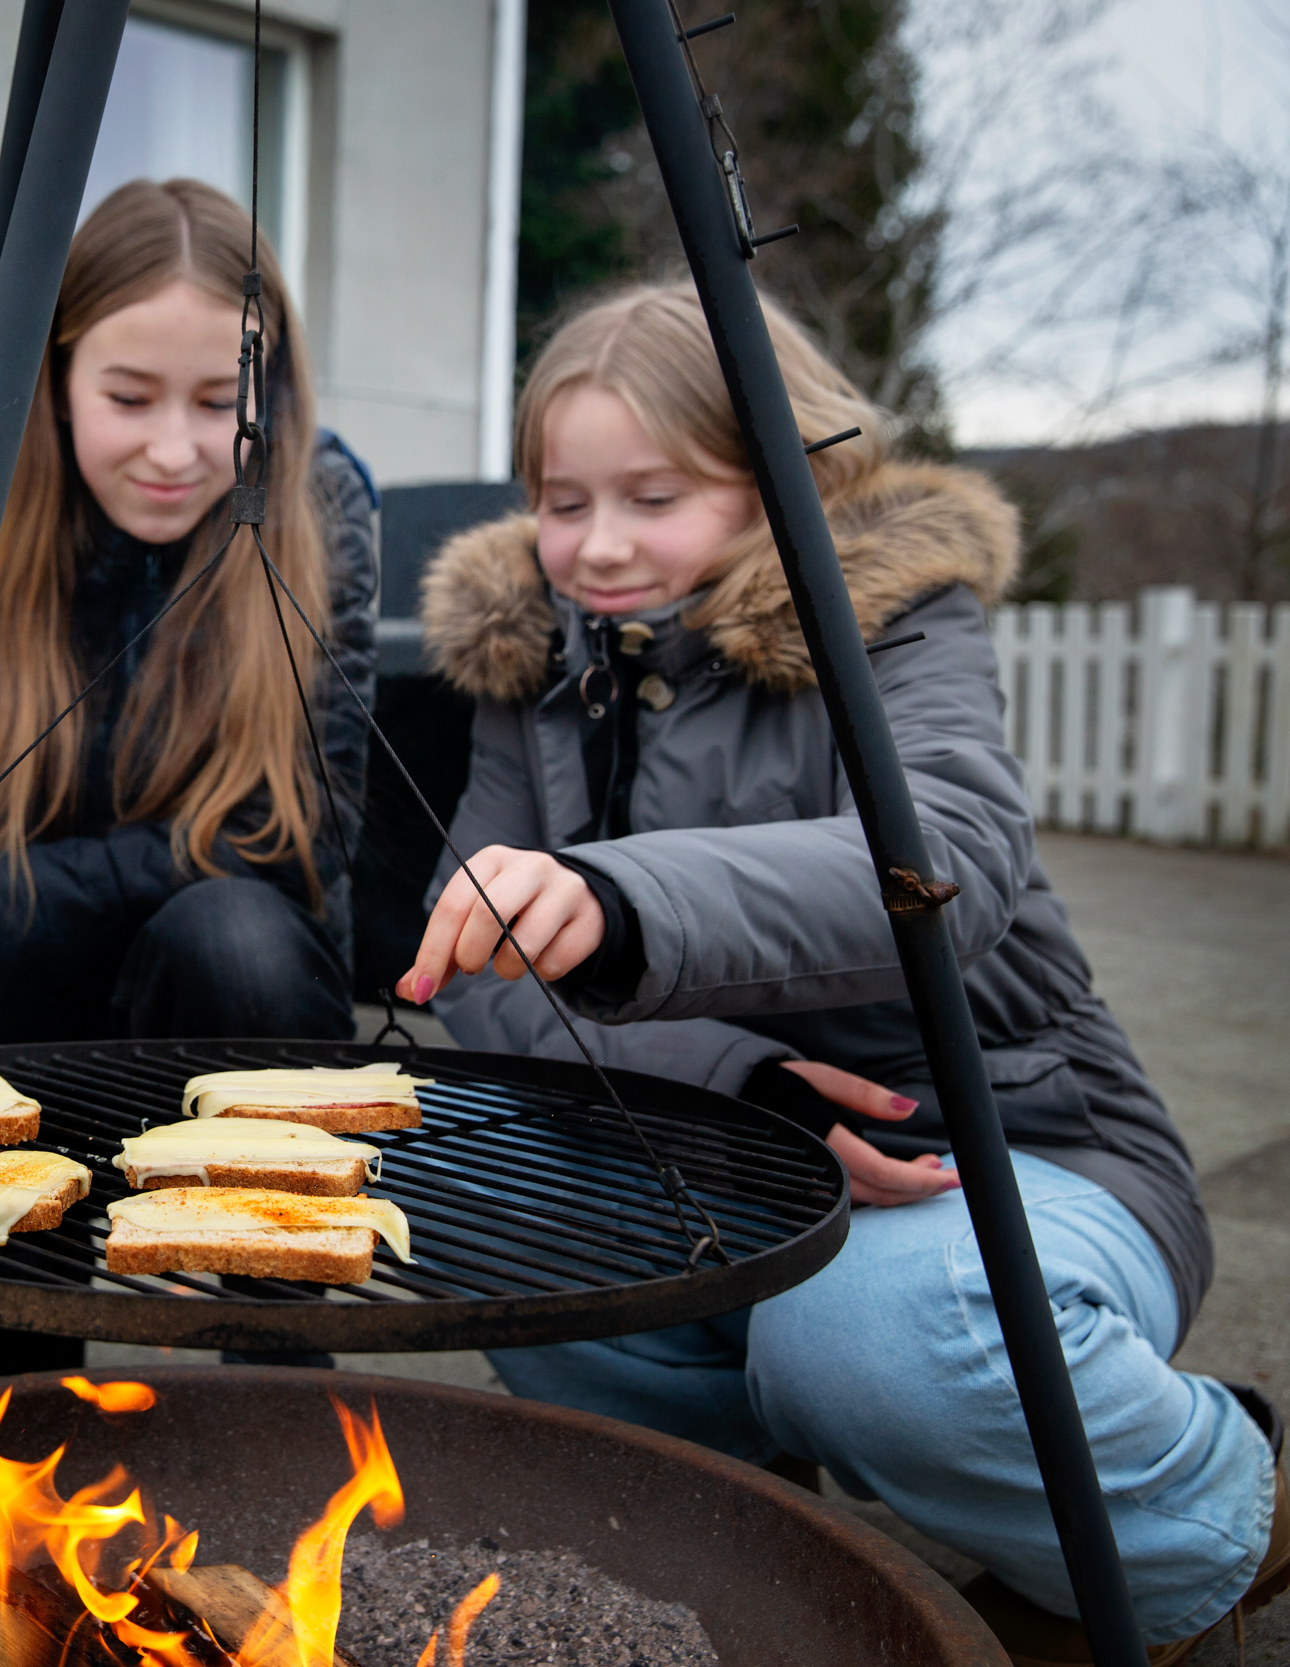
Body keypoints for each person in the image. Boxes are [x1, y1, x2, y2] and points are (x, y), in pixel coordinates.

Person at [401, 283, 1284, 1663]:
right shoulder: (535, 664)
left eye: (656, 493)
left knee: (857, 1331)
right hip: (727, 1144)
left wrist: (617, 895)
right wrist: (740, 1085)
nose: (600, 543)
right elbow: (486, 976)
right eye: (563, 500)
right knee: (482, 1206)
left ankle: (1219, 1502)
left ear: (776, 479)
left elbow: (955, 854)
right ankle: (746, 1538)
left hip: (1012, 1141)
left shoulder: (894, 619)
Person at [0, 179, 380, 1404]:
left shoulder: (318, 530)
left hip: (221, 1022)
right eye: (127, 397)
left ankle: (272, 1369)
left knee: (238, 930)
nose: (173, 449)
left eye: (220, 402)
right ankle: (0, 1364)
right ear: (54, 378)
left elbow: (292, 842)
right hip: (8, 1026)